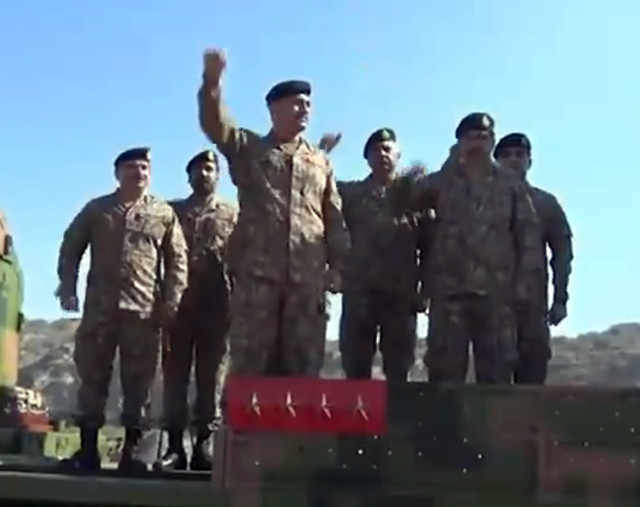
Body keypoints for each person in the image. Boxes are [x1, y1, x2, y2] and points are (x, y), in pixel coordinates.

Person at [197, 49, 349, 376]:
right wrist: (212, 82)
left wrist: (338, 266)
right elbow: (215, 124)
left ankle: (296, 431)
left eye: (308, 104)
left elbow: (333, 216)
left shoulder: (320, 162)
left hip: (307, 283)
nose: (304, 109)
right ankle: (241, 429)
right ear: (273, 109)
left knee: (303, 367)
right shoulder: (250, 149)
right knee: (251, 364)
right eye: (296, 102)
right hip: (257, 279)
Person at [55, 147, 188, 472]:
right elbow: (72, 244)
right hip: (100, 311)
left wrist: (170, 302)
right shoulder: (98, 209)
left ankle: (133, 453)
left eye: (144, 167)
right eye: (131, 167)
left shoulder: (162, 213)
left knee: (139, 384)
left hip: (143, 313)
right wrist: (68, 286)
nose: (139, 173)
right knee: (92, 378)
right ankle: (87, 450)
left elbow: (177, 261)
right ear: (117, 173)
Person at [399, 113, 542, 383]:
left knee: (497, 374)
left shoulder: (510, 184)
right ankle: (443, 426)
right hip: (449, 294)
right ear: (459, 143)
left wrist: (523, 287)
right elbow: (404, 200)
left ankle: (495, 426)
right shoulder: (442, 181)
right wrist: (451, 162)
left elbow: (528, 237)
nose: (477, 143)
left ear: (492, 141)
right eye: (470, 138)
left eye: (484, 137)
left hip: (496, 297)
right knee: (444, 375)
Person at [321, 129, 426, 381]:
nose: (382, 154)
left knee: (399, 368)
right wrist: (322, 153)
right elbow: (317, 187)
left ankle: (398, 420)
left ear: (398, 155)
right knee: (355, 366)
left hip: (400, 295)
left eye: (388, 149)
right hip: (360, 292)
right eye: (376, 150)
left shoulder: (415, 196)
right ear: (366, 158)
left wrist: (426, 287)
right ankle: (356, 421)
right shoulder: (352, 194)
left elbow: (430, 241)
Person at [155, 150, 237, 471]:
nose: (205, 174)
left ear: (218, 176)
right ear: (188, 176)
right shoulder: (170, 212)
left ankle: (204, 445)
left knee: (211, 379)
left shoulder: (233, 214)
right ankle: (175, 447)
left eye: (211, 169)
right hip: (178, 309)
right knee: (175, 378)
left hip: (217, 309)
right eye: (199, 169)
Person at [494, 133, 573, 384]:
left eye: (520, 154)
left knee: (532, 378)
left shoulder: (545, 203)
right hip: (491, 306)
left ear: (529, 161)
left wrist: (560, 298)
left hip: (532, 306)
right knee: (493, 382)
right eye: (506, 155)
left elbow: (562, 253)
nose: (513, 160)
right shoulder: (481, 201)